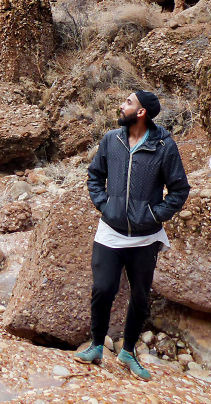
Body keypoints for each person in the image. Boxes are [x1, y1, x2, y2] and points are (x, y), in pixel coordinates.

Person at [73, 90, 190, 380]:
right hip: (110, 232)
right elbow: (94, 176)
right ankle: (97, 345)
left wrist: (153, 215)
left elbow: (179, 190)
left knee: (139, 296)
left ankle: (127, 352)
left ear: (141, 113)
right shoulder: (111, 140)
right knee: (102, 289)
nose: (121, 106)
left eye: (128, 102)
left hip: (145, 237)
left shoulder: (164, 145)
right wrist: (104, 204)